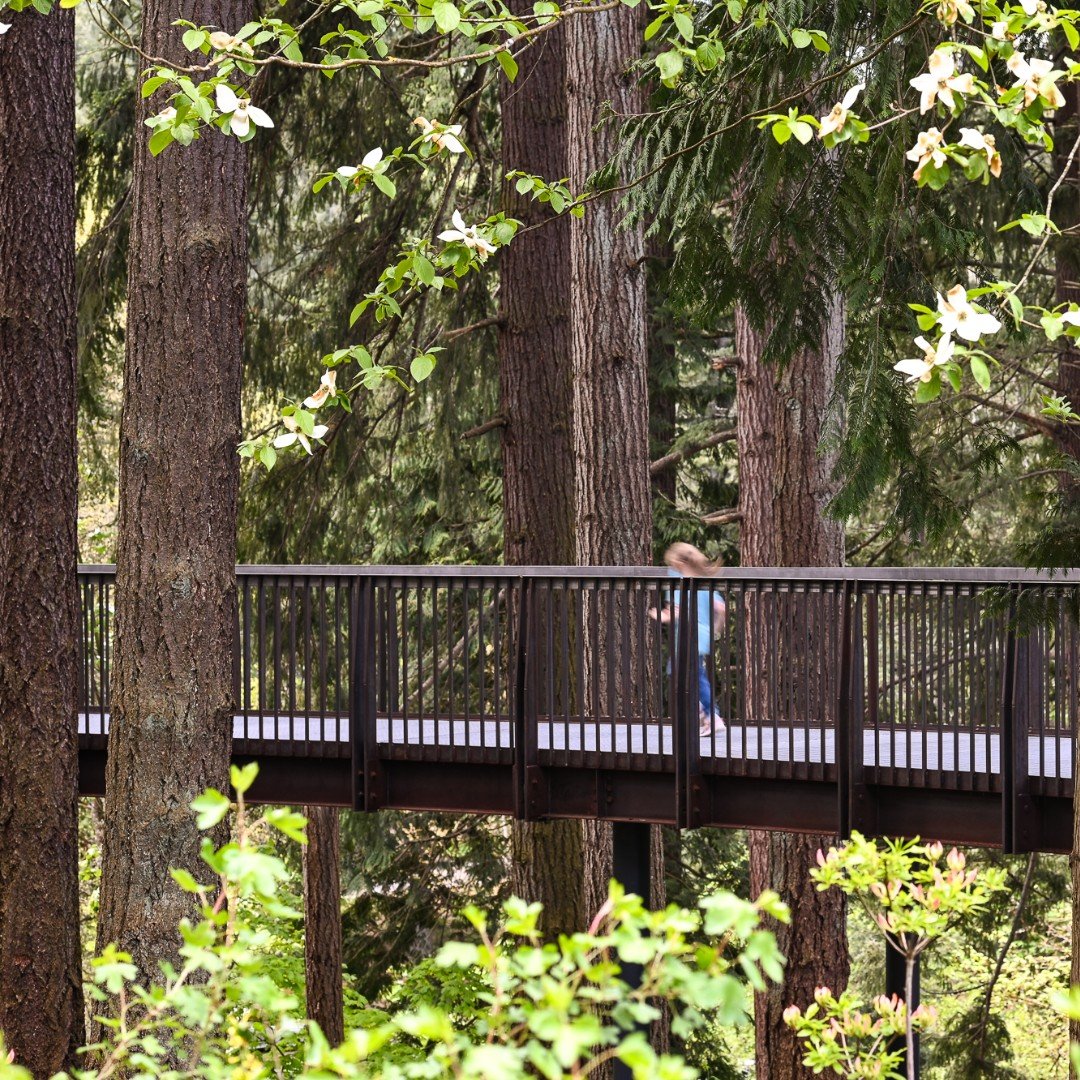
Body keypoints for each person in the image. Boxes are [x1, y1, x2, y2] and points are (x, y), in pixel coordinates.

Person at [653, 542, 726, 735]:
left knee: (687, 674)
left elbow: (675, 612)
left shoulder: (679, 581)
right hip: (702, 634)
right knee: (687, 672)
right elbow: (721, 608)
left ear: (677, 562)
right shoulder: (703, 580)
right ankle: (706, 714)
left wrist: (660, 616)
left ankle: (711, 715)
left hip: (687, 635)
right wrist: (715, 630)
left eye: (672, 564)